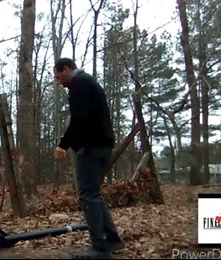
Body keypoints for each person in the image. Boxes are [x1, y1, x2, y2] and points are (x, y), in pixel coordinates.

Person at [53, 58, 124, 258]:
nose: (59, 82)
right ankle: (112, 240)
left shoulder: (79, 84)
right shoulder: (87, 82)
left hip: (92, 146)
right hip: (102, 144)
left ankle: (99, 247)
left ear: (66, 69)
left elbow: (79, 118)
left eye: (59, 77)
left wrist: (63, 144)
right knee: (94, 193)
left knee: (88, 195)